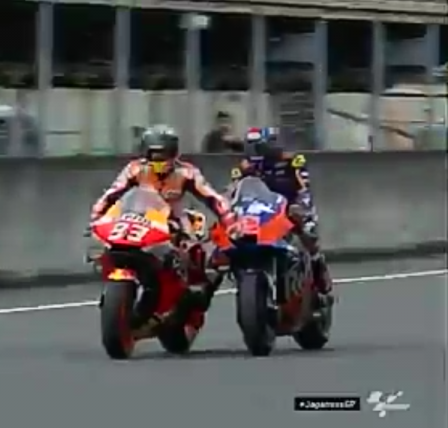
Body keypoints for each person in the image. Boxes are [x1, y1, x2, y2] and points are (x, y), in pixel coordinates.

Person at [89, 124, 237, 337]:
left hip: (174, 222)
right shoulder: (135, 169)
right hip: (140, 220)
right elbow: (112, 194)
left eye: (164, 154)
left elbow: (213, 198)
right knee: (109, 246)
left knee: (198, 253)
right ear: (145, 153)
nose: (159, 159)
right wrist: (96, 218)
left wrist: (229, 220)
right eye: (154, 154)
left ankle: (196, 292)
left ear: (174, 153)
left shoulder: (186, 172)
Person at [228, 126, 334, 305]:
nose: (254, 154)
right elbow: (233, 192)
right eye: (251, 149)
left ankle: (319, 271)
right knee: (231, 234)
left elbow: (304, 188)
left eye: (258, 148)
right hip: (261, 210)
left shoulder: (292, 161)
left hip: (289, 206)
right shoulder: (244, 167)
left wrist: (301, 206)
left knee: (307, 230)